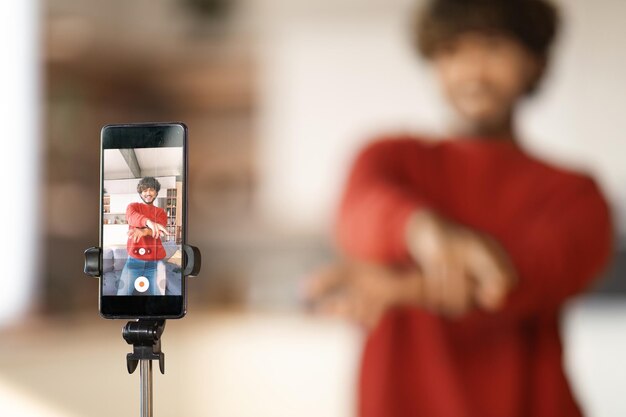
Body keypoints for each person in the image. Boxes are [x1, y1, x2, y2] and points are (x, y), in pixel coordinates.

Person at [306, 1, 613, 416]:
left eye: (492, 47)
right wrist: (426, 233)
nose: (472, 70)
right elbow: (359, 217)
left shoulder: (576, 194)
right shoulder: (387, 158)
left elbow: (517, 279)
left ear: (535, 62)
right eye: (452, 52)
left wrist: (395, 288)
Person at [117, 176, 169, 296]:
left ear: (156, 193)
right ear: (140, 194)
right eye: (144, 190)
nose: (148, 193)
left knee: (158, 300)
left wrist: (145, 231)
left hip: (155, 263)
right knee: (121, 296)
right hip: (134, 261)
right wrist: (148, 222)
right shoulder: (133, 207)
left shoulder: (161, 212)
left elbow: (159, 230)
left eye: (151, 190)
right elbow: (132, 217)